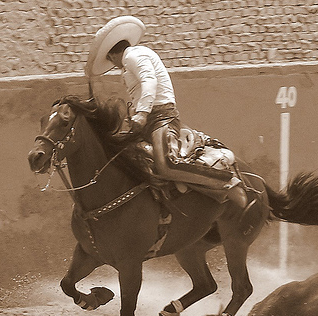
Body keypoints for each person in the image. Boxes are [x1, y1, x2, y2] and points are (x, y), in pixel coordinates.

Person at [88, 17, 248, 209]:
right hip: (147, 119)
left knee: (166, 164)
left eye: (110, 59)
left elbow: (149, 82)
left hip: (161, 117)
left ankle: (226, 183)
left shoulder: (133, 56)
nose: (113, 64)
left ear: (113, 54)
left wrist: (141, 113)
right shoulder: (132, 59)